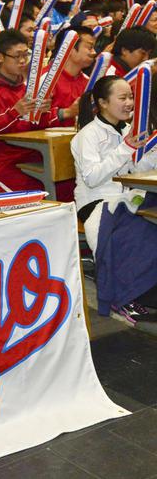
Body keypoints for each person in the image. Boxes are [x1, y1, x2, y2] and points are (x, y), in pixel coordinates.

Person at [71, 75, 157, 324]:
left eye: (131, 96)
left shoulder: (129, 129)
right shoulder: (87, 135)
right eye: (123, 98)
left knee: (149, 225)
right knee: (136, 232)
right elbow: (93, 178)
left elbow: (137, 169)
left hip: (127, 197)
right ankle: (125, 296)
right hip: (96, 201)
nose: (130, 102)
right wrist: (126, 149)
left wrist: (150, 152)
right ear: (103, 103)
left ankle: (141, 293)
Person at [0, 29, 66, 191]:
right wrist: (14, 113)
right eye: (17, 56)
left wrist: (45, 112)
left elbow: (32, 124)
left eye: (25, 55)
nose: (22, 61)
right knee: (39, 192)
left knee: (65, 181)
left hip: (31, 155)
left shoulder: (26, 86)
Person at [50, 26, 94, 128]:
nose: (94, 52)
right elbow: (30, 119)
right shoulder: (44, 79)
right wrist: (68, 112)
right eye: (90, 47)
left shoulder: (88, 82)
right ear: (70, 49)